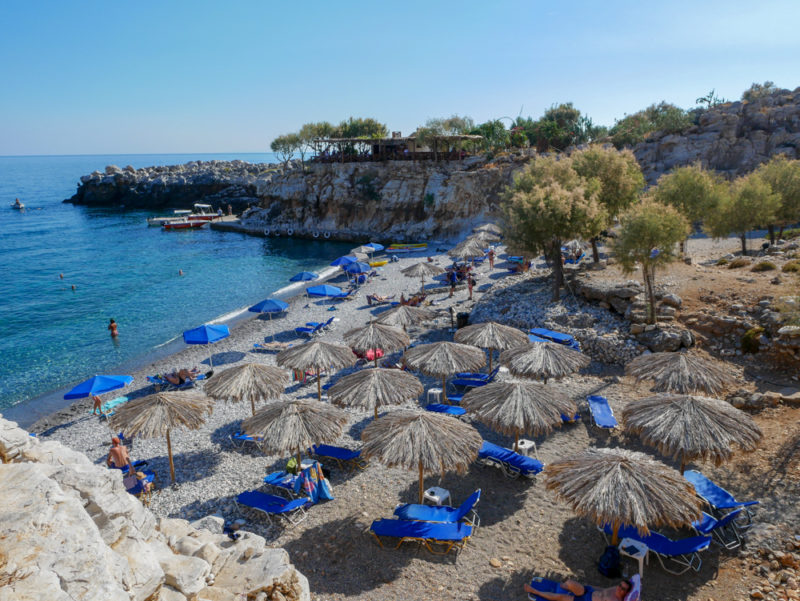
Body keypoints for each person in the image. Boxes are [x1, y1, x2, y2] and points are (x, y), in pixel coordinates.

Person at [524, 578, 633, 601]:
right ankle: (567, 586)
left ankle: (535, 591)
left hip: (586, 600)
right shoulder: (615, 588)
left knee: (560, 597)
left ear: (626, 592)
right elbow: (601, 589)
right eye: (620, 585)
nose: (619, 588)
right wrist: (588, 585)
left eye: (623, 588)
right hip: (588, 591)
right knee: (570, 582)